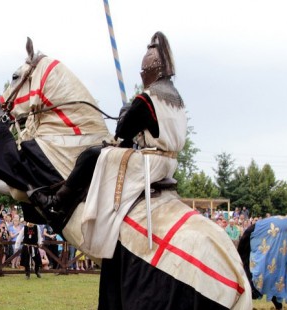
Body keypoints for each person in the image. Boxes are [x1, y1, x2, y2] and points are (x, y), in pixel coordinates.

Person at [28, 31, 186, 250]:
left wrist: (126, 111)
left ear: (150, 71)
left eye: (143, 71)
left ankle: (56, 204)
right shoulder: (176, 98)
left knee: (92, 155)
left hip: (150, 164)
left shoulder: (148, 98)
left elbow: (123, 131)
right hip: (169, 163)